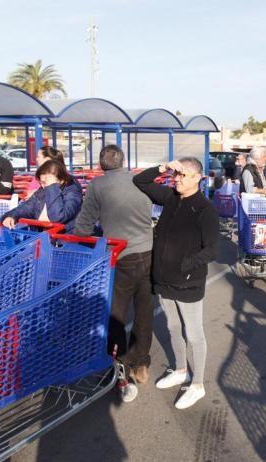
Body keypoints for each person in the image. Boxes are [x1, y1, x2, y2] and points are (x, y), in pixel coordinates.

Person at [133, 158, 219, 410]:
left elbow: (212, 250)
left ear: (198, 179)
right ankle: (181, 369)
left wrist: (185, 265)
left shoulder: (205, 209)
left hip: (188, 281)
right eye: (176, 174)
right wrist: (163, 168)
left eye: (183, 175)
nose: (177, 179)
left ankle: (198, 384)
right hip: (163, 278)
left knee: (194, 334)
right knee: (172, 327)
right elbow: (141, 180)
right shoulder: (170, 197)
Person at [73, 145, 155, 403]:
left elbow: (83, 228)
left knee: (117, 313)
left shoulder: (98, 186)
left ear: (101, 164)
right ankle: (140, 364)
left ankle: (118, 362)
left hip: (120, 256)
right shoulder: (139, 180)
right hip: (148, 251)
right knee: (144, 312)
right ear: (123, 161)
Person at [1, 159, 82, 232]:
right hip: (45, 240)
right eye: (41, 182)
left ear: (61, 180)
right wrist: (11, 216)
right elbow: (26, 207)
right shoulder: (42, 191)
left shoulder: (73, 193)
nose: (43, 186)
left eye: (46, 183)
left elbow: (57, 217)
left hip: (66, 243)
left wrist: (52, 187)